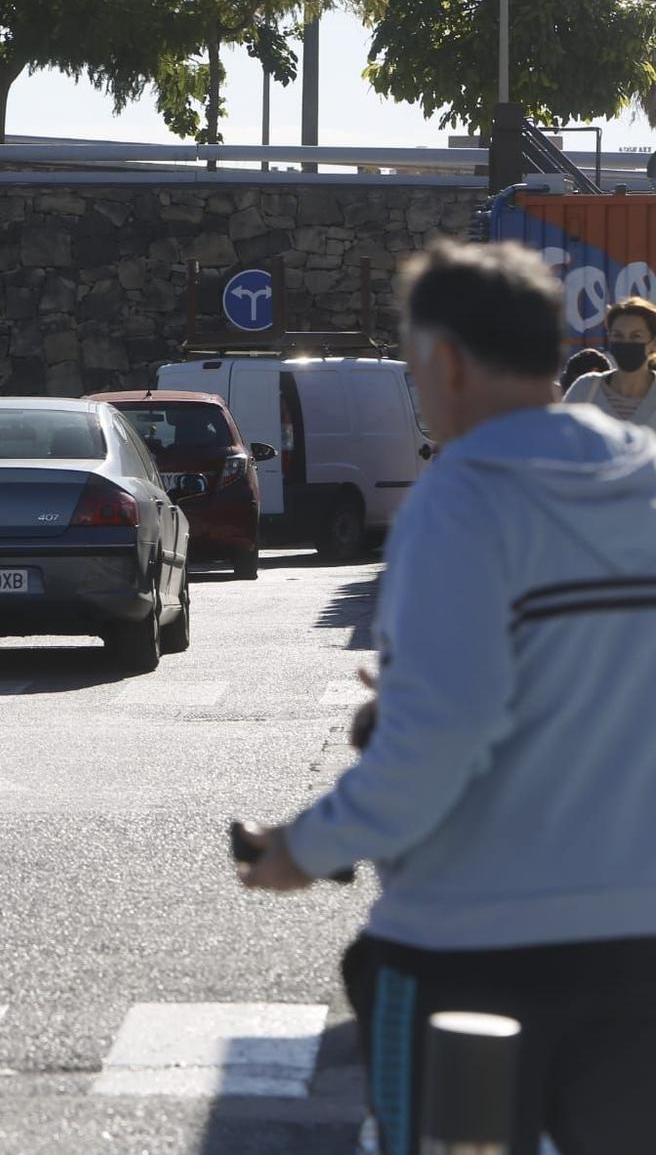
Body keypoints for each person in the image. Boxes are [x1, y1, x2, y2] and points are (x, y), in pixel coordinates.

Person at [234, 240, 656, 1154]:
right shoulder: (646, 476)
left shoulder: (459, 497)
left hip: (472, 946)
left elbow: (443, 735)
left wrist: (303, 847)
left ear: (448, 361)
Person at [562, 296, 656, 427]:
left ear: (653, 343)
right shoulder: (586, 389)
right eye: (618, 335)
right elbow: (562, 437)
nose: (626, 342)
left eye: (636, 336)